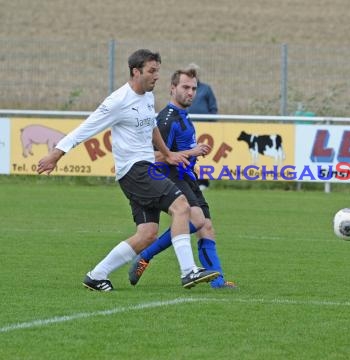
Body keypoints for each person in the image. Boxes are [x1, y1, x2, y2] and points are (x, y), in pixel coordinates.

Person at [37, 49, 220, 292]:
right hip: (136, 170)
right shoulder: (118, 101)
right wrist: (56, 153)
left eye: (158, 71)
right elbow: (86, 128)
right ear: (136, 71)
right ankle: (188, 271)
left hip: (141, 169)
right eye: (152, 71)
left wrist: (167, 154)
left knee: (147, 234)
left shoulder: (147, 97)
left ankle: (96, 275)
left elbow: (152, 126)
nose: (157, 76)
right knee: (182, 206)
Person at [128, 68, 236, 289]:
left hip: (188, 177)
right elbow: (154, 157)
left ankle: (218, 282)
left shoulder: (184, 117)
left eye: (194, 88)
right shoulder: (166, 120)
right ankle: (146, 255)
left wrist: (192, 153)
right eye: (185, 87)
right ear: (172, 88)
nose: (191, 93)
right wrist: (191, 152)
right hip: (171, 177)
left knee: (206, 227)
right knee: (196, 220)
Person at [187, 63, 218, 190]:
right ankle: (190, 180)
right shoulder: (183, 89)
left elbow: (213, 108)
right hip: (188, 128)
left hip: (204, 128)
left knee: (203, 153)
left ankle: (203, 182)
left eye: (194, 72)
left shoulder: (206, 89)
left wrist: (211, 125)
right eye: (190, 72)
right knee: (189, 153)